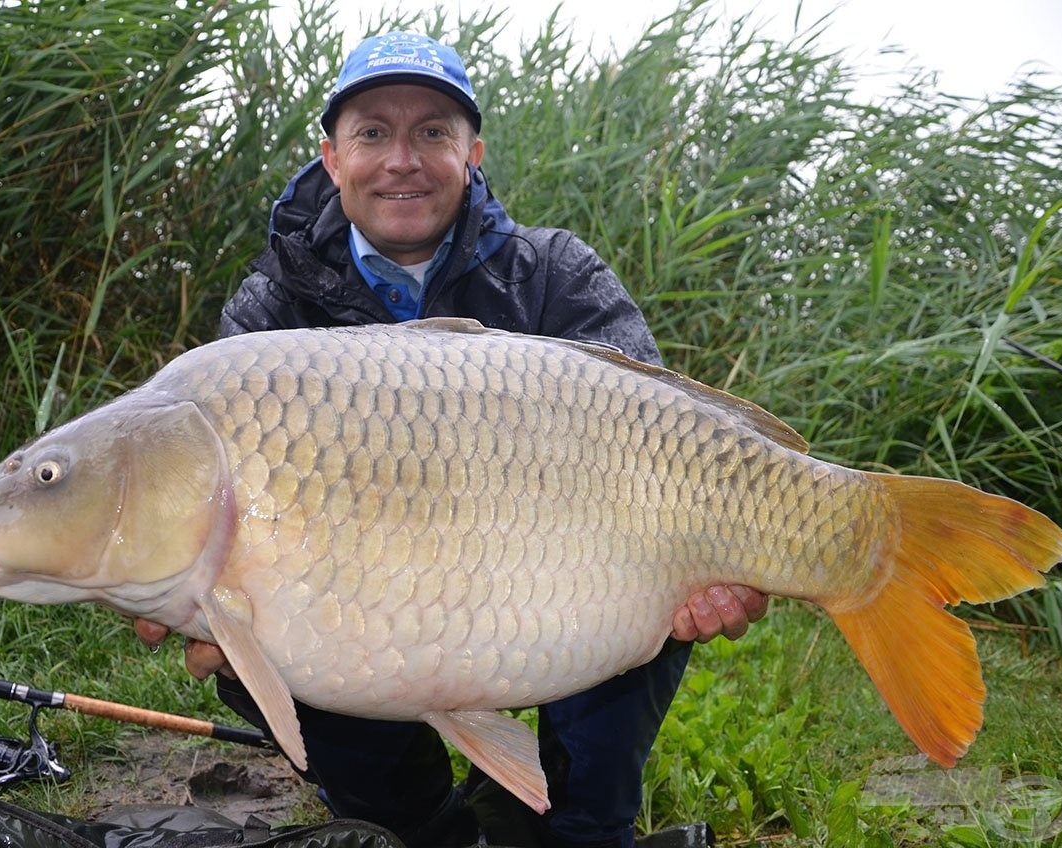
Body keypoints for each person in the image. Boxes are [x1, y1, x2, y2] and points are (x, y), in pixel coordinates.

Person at [135, 31, 768, 848]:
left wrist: (712, 568)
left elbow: (665, 450)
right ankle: (418, 824)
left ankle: (568, 824)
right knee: (323, 707)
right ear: (332, 158)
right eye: (372, 133)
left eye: (433, 132)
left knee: (637, 608)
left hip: (555, 590)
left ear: (472, 153)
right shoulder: (272, 311)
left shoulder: (558, 276)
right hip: (362, 608)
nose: (402, 158)